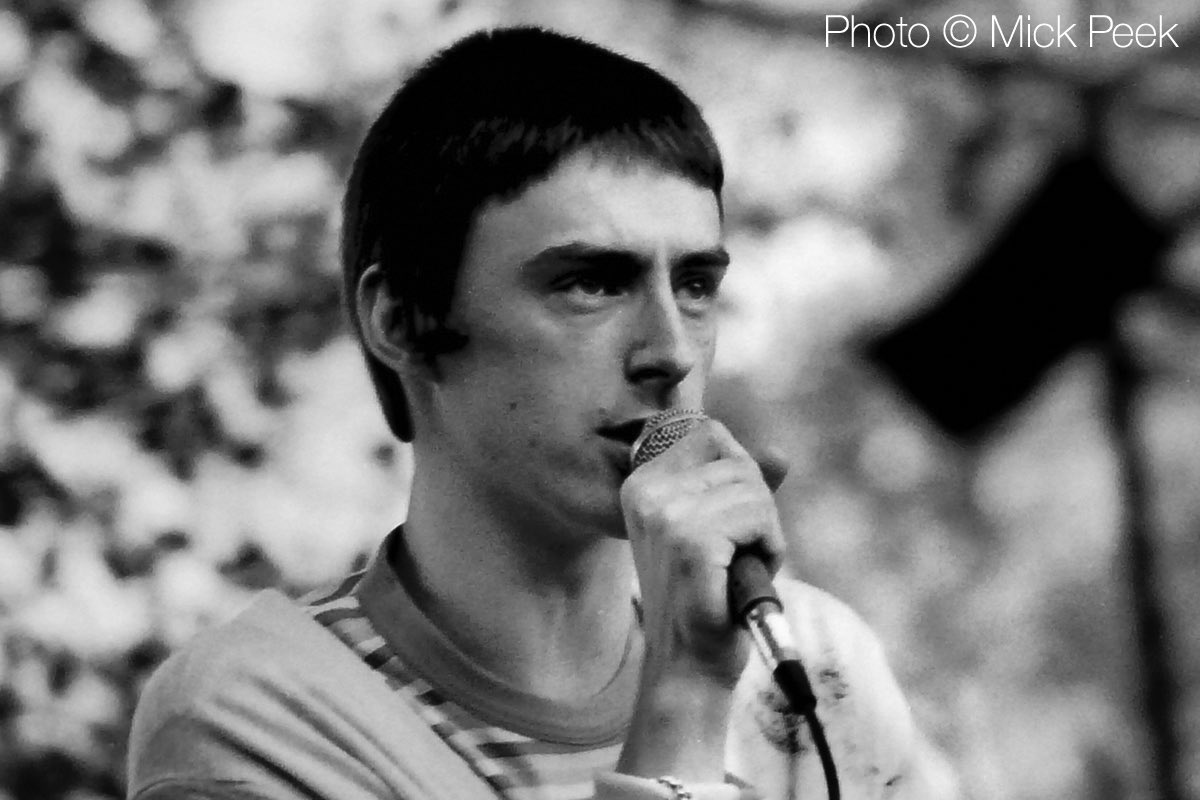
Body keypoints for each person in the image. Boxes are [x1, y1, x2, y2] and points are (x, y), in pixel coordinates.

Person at [127, 26, 949, 800]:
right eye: (592, 282)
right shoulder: (256, 715)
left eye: (696, 286)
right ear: (404, 319)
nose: (670, 349)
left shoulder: (816, 668)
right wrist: (687, 692)